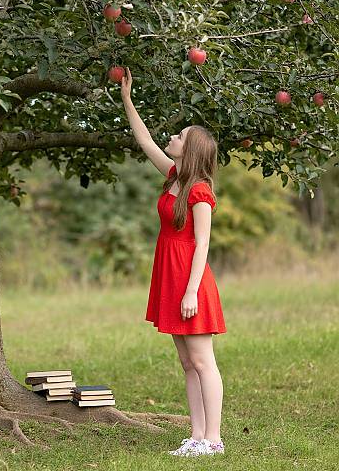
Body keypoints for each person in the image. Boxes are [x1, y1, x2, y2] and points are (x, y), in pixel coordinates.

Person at [121, 67, 226, 457]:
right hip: (170, 273)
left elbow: (202, 245)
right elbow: (145, 139)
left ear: (192, 149)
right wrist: (128, 100)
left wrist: (190, 292)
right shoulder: (173, 177)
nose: (172, 137)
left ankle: (213, 438)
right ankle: (196, 435)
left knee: (202, 360)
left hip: (190, 279)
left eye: (180, 136)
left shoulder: (199, 191)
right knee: (186, 362)